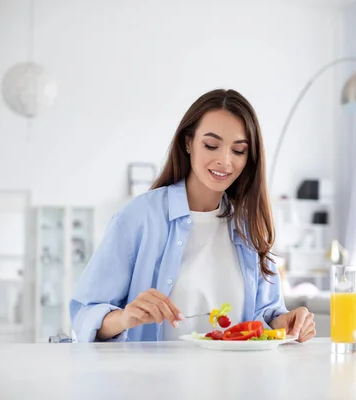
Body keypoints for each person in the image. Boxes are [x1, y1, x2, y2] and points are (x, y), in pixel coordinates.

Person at [70, 88, 316, 343]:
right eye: (211, 145)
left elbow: (265, 313)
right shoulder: (139, 218)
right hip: (152, 382)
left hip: (238, 381)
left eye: (239, 151)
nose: (225, 161)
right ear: (188, 142)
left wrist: (283, 322)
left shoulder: (249, 227)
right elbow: (84, 314)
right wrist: (124, 318)